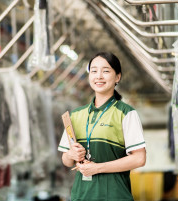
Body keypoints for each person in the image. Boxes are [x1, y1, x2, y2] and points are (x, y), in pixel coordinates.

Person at [58, 52, 146, 201]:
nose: (98, 76)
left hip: (114, 195)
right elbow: (66, 160)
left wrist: (97, 168)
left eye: (105, 71)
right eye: (94, 71)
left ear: (117, 77)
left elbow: (139, 159)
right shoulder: (75, 115)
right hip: (81, 195)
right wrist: (71, 155)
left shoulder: (126, 113)